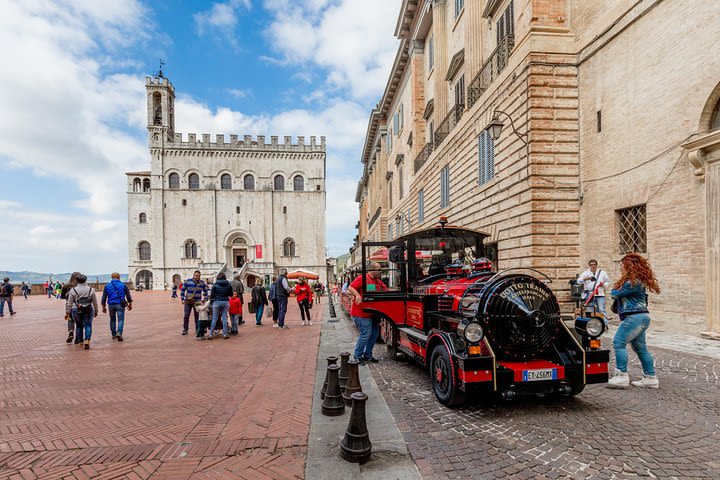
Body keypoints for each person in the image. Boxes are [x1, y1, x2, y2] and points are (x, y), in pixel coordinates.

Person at [608, 253, 661, 389]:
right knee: (640, 348)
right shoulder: (637, 282)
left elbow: (614, 294)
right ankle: (650, 378)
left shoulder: (633, 283)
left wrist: (616, 287)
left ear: (629, 266)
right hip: (641, 317)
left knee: (618, 343)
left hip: (634, 318)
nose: (620, 268)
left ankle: (621, 376)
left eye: (622, 265)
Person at [347, 262, 388, 364]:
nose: (380, 272)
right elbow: (350, 288)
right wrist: (357, 295)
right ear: (373, 270)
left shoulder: (378, 281)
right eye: (379, 270)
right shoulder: (363, 278)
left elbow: (386, 290)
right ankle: (357, 356)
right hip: (361, 313)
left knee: (374, 334)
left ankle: (368, 355)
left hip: (373, 313)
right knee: (366, 334)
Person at [66, 274, 98, 350]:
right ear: (85, 280)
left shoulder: (73, 290)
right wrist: (96, 310)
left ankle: (80, 342)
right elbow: (95, 302)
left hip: (76, 309)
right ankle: (87, 340)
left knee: (79, 325)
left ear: (77, 281)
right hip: (88, 309)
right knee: (88, 325)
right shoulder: (91, 289)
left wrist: (67, 312)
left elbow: (69, 303)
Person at [576, 259, 611, 325]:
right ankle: (592, 324)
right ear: (589, 266)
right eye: (591, 265)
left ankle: (605, 324)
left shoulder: (602, 272)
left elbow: (608, 281)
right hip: (589, 295)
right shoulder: (586, 273)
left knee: (601, 309)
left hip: (599, 293)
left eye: (594, 264)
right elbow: (578, 281)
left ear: (596, 265)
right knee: (590, 310)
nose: (593, 266)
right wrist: (585, 279)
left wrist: (603, 284)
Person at [101, 273, 133, 341]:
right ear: (119, 277)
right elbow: (128, 296)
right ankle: (119, 333)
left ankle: (113, 334)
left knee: (112, 320)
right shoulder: (123, 285)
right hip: (120, 304)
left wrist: (103, 307)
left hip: (111, 305)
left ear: (111, 277)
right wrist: (130, 304)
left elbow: (104, 298)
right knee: (120, 320)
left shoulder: (107, 286)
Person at [180, 270, 208, 336]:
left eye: (198, 276)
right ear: (193, 275)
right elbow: (182, 290)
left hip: (197, 302)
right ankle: (185, 329)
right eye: (196, 276)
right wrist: (182, 299)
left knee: (197, 316)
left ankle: (197, 329)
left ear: (200, 276)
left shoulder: (202, 283)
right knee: (186, 315)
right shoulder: (188, 281)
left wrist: (205, 299)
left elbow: (206, 290)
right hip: (188, 301)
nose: (197, 277)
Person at [209, 272, 233, 339]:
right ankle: (225, 334)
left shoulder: (215, 284)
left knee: (214, 318)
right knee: (224, 318)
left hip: (217, 301)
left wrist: (212, 300)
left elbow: (212, 294)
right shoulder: (228, 284)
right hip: (225, 302)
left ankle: (211, 334)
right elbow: (231, 294)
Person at [61, 272, 81, 344]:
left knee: (70, 320)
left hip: (69, 305)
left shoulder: (66, 286)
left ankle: (71, 331)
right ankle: (77, 338)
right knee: (79, 322)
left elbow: (62, 296)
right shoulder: (80, 286)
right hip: (79, 306)